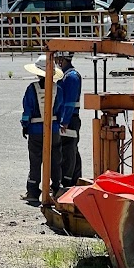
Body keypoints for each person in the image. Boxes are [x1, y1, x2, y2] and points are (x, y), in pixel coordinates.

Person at [20, 53, 64, 205]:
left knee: (35, 161)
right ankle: (56, 189)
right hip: (54, 129)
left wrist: (25, 126)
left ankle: (32, 192)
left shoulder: (32, 89)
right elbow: (61, 110)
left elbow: (27, 111)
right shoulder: (58, 89)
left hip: (36, 130)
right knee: (55, 161)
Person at [56, 51, 83, 187]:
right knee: (72, 150)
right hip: (69, 119)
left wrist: (64, 121)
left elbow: (69, 102)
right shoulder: (67, 75)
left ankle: (68, 181)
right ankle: (75, 179)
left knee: (68, 151)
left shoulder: (71, 77)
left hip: (70, 120)